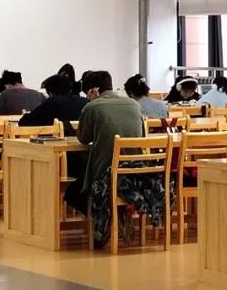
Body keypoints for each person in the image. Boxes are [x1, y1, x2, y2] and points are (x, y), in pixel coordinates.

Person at [65, 70, 165, 248]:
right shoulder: (134, 105)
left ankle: (107, 222)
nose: (87, 98)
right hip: (138, 175)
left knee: (72, 191)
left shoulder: (92, 107)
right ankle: (120, 212)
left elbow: (83, 139)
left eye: (87, 94)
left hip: (107, 176)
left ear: (94, 90)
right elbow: (141, 135)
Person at [18, 75, 87, 136]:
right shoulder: (85, 102)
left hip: (57, 143)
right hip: (84, 143)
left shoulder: (52, 103)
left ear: (50, 93)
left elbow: (24, 122)